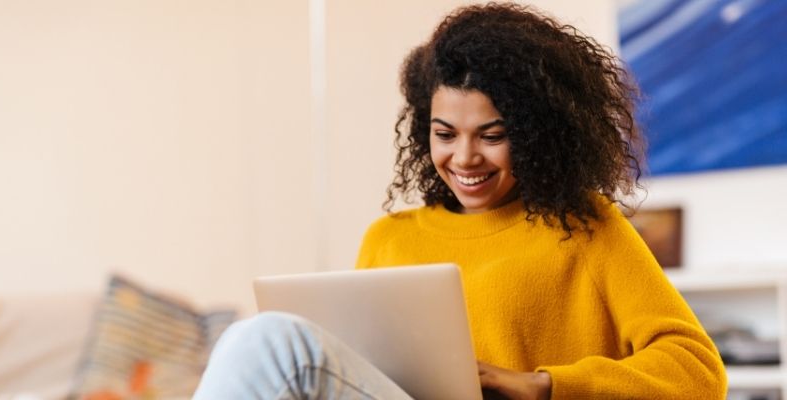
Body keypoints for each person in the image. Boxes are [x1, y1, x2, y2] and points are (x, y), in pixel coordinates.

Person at [193, 3, 727, 399]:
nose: (464, 157)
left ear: (537, 132)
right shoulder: (389, 238)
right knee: (262, 343)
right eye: (444, 134)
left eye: (491, 135)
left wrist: (542, 385)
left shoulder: (586, 228)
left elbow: (699, 370)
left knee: (267, 340)